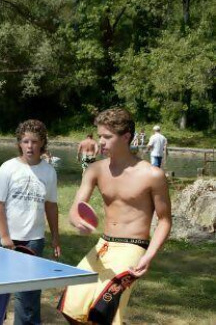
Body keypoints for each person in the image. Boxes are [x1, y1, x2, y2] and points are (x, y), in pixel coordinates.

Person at [58, 108, 172, 324]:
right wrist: (77, 221)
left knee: (103, 313)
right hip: (104, 245)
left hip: (133, 247)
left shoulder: (152, 175)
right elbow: (75, 208)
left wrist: (148, 256)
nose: (101, 141)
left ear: (126, 137)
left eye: (107, 137)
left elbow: (165, 220)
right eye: (100, 135)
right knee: (70, 306)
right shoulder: (95, 169)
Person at [0, 119, 61, 325]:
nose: (30, 146)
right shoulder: (8, 168)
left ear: (42, 144)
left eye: (35, 141)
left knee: (28, 299)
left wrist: (55, 237)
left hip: (33, 241)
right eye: (25, 141)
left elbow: (51, 205)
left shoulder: (49, 171)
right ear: (19, 143)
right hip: (2, 240)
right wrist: (5, 236)